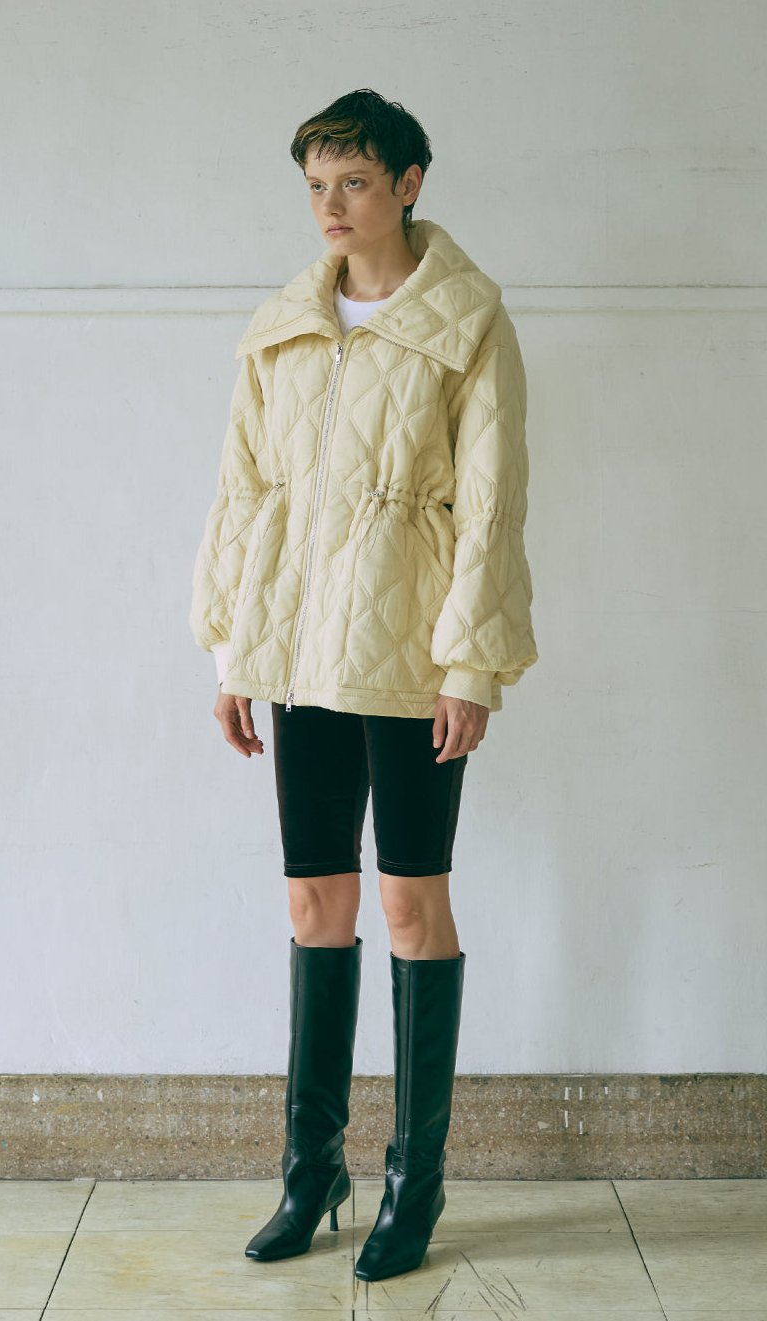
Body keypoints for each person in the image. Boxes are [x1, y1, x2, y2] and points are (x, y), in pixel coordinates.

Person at [189, 88, 537, 1282]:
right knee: (312, 905)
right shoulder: (282, 326)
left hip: (411, 658)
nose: (330, 206)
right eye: (315, 186)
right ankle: (311, 1170)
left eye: (352, 181)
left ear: (408, 183)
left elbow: (491, 503)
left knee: (409, 907)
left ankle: (415, 1180)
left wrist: (471, 663)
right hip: (297, 654)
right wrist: (230, 649)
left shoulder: (468, 322)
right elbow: (242, 492)